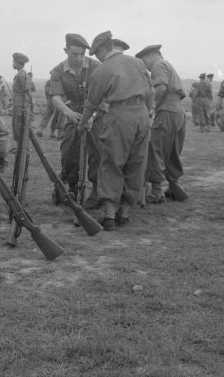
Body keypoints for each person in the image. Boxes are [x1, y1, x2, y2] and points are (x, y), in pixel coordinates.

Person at [77, 31, 152, 230]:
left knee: (112, 162)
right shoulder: (138, 63)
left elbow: (91, 103)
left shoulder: (102, 70)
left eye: (97, 53)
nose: (97, 58)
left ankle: (109, 215)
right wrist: (147, 113)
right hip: (142, 115)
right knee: (136, 162)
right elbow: (150, 91)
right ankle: (125, 212)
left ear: (103, 48)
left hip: (119, 116)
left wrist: (82, 123)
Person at [48, 33, 100, 205]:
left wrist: (92, 115)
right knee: (68, 150)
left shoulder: (95, 66)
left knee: (97, 153)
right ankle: (72, 187)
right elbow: (56, 98)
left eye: (81, 54)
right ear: (66, 50)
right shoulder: (57, 71)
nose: (78, 58)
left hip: (96, 113)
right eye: (74, 54)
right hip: (72, 114)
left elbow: (103, 93)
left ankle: (96, 192)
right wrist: (69, 113)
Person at [136, 45, 187, 203]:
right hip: (178, 110)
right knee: (171, 151)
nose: (145, 66)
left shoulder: (159, 65)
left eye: (144, 61)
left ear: (152, 55)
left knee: (156, 149)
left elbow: (160, 88)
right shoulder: (168, 65)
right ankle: (173, 186)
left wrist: (150, 107)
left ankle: (156, 192)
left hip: (167, 111)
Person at [11, 52, 31, 142]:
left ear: (18, 63)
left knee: (18, 126)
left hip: (21, 104)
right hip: (17, 103)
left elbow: (27, 91)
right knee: (16, 126)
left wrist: (29, 106)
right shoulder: (19, 73)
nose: (12, 63)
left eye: (14, 62)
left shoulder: (22, 74)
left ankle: (22, 149)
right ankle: (18, 147)